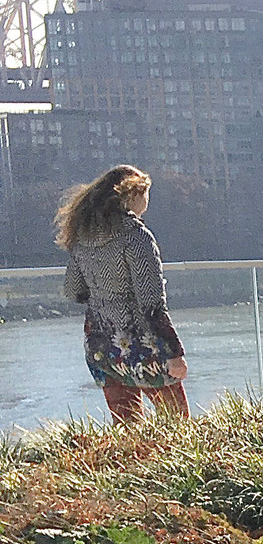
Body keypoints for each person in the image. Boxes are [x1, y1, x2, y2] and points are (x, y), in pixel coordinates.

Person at [56, 165, 190, 424]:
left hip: (102, 347)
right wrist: (175, 353)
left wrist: (103, 295)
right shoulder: (136, 237)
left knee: (128, 428)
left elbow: (73, 291)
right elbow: (152, 304)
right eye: (145, 194)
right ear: (132, 196)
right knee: (177, 425)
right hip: (144, 348)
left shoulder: (82, 238)